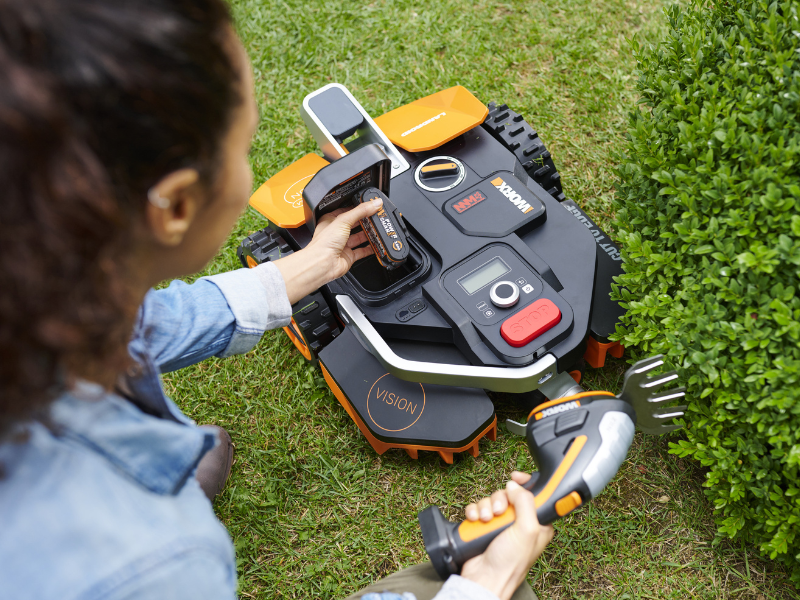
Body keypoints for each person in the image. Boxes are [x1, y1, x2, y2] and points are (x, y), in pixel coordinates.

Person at [0, 1, 553, 599]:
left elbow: (135, 327)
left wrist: (302, 269)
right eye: (242, 145)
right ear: (178, 205)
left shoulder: (35, 296)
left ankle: (163, 464)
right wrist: (483, 588)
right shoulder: (160, 564)